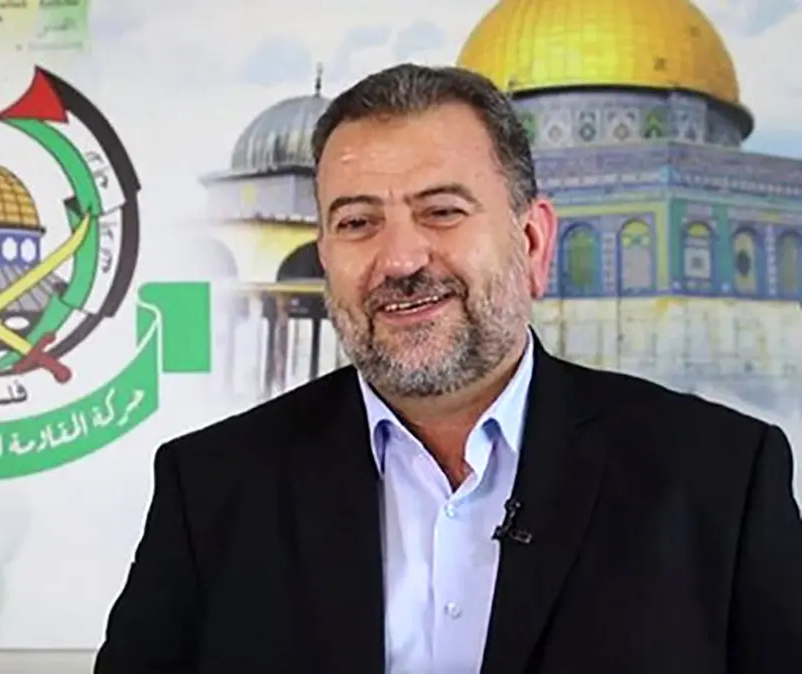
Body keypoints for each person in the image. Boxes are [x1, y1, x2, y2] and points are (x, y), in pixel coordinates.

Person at [93, 64, 802, 674]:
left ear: (532, 242)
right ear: (326, 257)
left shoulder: (718, 480)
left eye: (441, 211)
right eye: (357, 222)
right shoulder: (211, 489)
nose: (400, 261)